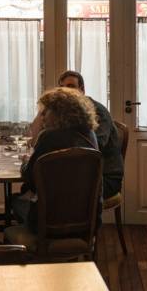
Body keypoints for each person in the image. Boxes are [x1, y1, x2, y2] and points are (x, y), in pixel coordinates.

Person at [13, 87, 100, 228]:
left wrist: (25, 162)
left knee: (16, 201)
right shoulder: (90, 135)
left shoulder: (50, 138)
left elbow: (31, 179)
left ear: (58, 113)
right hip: (88, 220)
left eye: (45, 112)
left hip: (50, 221)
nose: (42, 117)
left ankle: (21, 248)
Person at [56, 70, 124, 199]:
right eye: (62, 88)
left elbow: (96, 146)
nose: (66, 92)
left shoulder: (97, 112)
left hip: (105, 178)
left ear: (82, 90)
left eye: (70, 87)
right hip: (82, 172)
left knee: (51, 186)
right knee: (43, 182)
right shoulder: (66, 112)